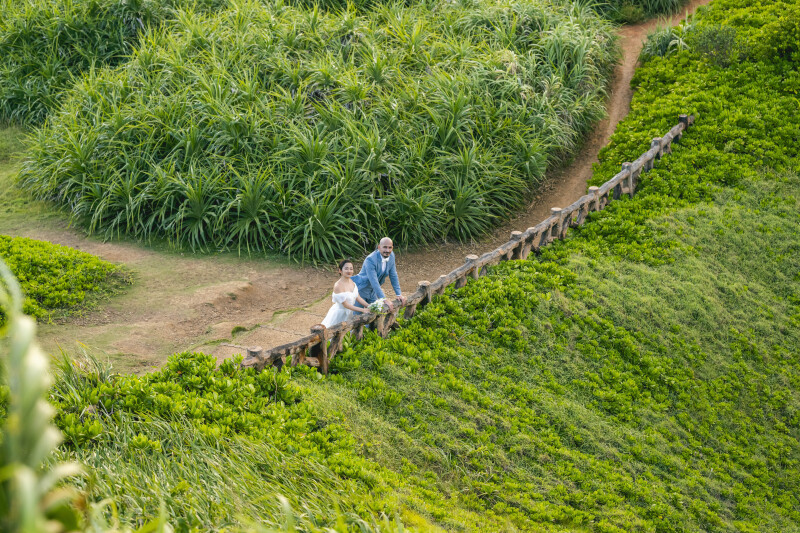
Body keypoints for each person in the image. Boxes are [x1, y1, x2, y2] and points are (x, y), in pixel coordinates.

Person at [352, 237, 407, 313]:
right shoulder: (370, 259)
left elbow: (393, 275)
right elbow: (374, 281)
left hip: (374, 291)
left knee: (376, 313)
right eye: (385, 247)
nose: (387, 250)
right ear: (379, 247)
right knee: (358, 316)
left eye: (390, 247)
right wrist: (384, 299)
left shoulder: (391, 256)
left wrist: (399, 294)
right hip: (361, 290)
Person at [321, 259, 370, 328]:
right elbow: (346, 305)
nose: (349, 271)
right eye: (346, 269)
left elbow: (358, 297)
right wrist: (363, 310)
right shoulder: (338, 286)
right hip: (339, 314)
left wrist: (369, 306)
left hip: (349, 313)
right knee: (334, 330)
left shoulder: (352, 283)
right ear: (340, 271)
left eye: (351, 269)